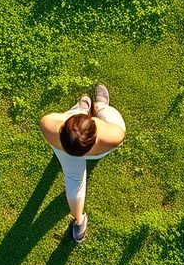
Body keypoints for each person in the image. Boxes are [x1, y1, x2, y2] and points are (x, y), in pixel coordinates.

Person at [39, 84, 126, 243]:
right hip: (94, 152)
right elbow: (118, 129)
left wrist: (74, 116)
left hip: (63, 150)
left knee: (74, 185)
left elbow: (55, 118)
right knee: (113, 117)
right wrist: (96, 119)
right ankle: (101, 107)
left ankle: (79, 222)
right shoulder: (112, 137)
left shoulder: (49, 127)